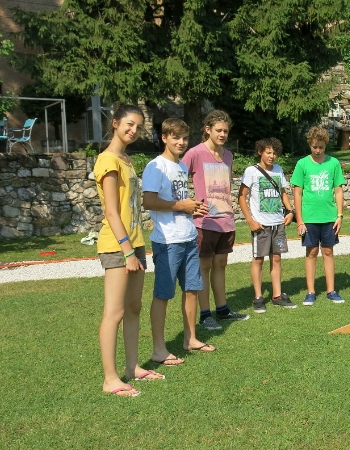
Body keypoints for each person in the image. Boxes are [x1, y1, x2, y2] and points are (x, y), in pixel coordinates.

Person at [94, 104, 162, 397]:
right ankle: (110, 379)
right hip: (118, 245)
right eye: (129, 124)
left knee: (133, 308)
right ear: (115, 123)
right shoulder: (108, 160)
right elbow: (111, 211)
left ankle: (133, 367)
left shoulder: (126, 160)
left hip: (135, 242)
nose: (133, 130)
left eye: (138, 126)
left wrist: (135, 247)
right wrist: (127, 251)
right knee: (115, 312)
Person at [142, 118, 215, 367]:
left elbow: (178, 201)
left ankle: (190, 339)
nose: (181, 142)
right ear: (164, 138)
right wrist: (181, 206)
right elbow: (149, 201)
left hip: (188, 236)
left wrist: (192, 208)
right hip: (167, 241)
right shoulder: (155, 167)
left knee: (192, 289)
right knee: (163, 294)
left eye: (184, 138)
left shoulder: (181, 166)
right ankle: (159, 350)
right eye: (175, 137)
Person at [182, 110, 249, 331]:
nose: (222, 135)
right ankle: (205, 314)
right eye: (218, 130)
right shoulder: (195, 153)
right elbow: (177, 180)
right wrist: (188, 205)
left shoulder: (228, 155)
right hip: (204, 222)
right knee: (204, 266)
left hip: (225, 220)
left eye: (225, 131)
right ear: (207, 130)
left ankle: (222, 309)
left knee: (220, 265)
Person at [237, 137, 297, 313]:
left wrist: (290, 211)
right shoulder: (251, 171)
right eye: (268, 152)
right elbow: (242, 197)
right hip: (261, 225)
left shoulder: (278, 170)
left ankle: (277, 295)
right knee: (258, 259)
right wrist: (250, 220)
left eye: (274, 153)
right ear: (260, 152)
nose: (272, 156)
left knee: (276, 258)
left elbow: (283, 192)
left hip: (278, 224)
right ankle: (258, 297)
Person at [291, 126, 346, 305]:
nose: (318, 150)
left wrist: (340, 215)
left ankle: (331, 290)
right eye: (314, 147)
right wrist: (300, 220)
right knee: (312, 252)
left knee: (328, 251)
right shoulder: (302, 164)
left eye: (321, 147)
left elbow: (338, 190)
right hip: (309, 217)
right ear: (310, 144)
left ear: (325, 145)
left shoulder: (333, 163)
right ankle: (310, 292)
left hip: (329, 217)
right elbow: (297, 193)